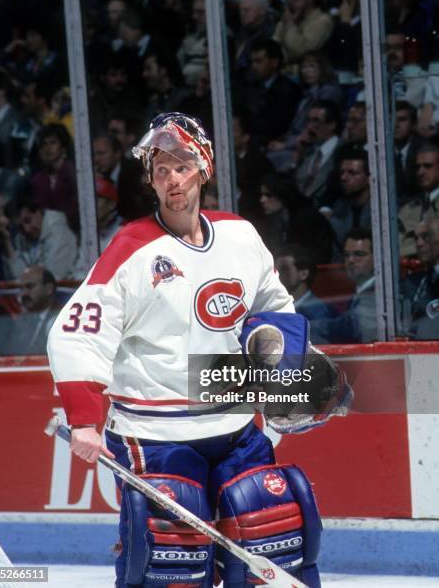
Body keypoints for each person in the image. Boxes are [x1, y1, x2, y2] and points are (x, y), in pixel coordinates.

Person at [47, 112, 329, 588]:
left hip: (236, 425)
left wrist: (290, 379)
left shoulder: (240, 235)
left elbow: (276, 312)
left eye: (180, 166)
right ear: (151, 182)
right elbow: (77, 330)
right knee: (172, 568)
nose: (171, 179)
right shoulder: (132, 248)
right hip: (156, 434)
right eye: (160, 170)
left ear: (203, 168)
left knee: (272, 546)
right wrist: (83, 419)